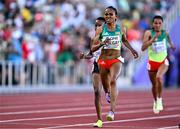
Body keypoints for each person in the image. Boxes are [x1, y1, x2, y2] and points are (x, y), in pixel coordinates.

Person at [92, 6, 138, 122]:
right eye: (106, 14)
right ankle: (107, 92)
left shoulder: (121, 28)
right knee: (106, 86)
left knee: (113, 80)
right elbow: (93, 48)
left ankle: (112, 111)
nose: (108, 16)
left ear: (115, 16)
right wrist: (102, 43)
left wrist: (132, 50)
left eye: (110, 14)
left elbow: (125, 40)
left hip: (116, 59)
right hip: (102, 60)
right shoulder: (100, 30)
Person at [141, 15, 175, 114]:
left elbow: (169, 40)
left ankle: (159, 100)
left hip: (163, 61)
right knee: (154, 85)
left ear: (162, 24)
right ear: (153, 24)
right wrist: (152, 40)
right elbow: (143, 48)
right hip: (152, 62)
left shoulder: (165, 33)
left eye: (160, 23)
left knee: (159, 77)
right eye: (156, 23)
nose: (158, 25)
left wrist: (172, 46)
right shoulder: (148, 33)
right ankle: (155, 100)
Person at [80, 17, 110, 128]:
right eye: (96, 25)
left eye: (100, 25)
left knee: (107, 87)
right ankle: (99, 120)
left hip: (108, 66)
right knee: (97, 91)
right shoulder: (94, 39)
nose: (97, 27)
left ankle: (108, 91)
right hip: (97, 65)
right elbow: (91, 54)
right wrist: (84, 56)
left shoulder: (110, 37)